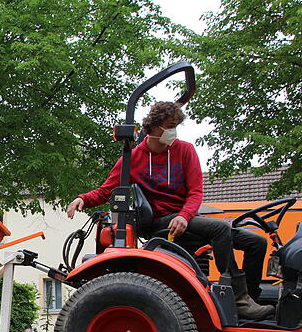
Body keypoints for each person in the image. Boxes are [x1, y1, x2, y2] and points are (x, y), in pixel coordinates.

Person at [67, 101, 273, 320]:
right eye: (170, 125)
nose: (174, 131)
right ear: (154, 127)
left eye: (176, 125)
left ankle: (252, 299)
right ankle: (238, 300)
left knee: (257, 243)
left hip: (186, 217)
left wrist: (185, 215)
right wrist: (82, 199)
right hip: (161, 221)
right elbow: (106, 190)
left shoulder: (184, 150)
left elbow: (195, 192)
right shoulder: (133, 158)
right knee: (221, 229)